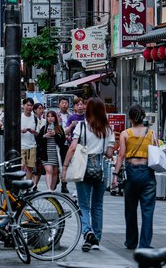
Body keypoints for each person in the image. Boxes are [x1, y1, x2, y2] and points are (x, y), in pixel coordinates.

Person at [63, 97, 115, 253]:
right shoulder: (108, 129)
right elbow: (109, 154)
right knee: (97, 206)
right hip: (101, 168)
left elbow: (73, 147)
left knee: (84, 205)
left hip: (83, 166)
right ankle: (95, 240)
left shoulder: (81, 126)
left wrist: (65, 167)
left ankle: (87, 232)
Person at [112, 105, 157, 250]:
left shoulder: (125, 134)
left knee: (130, 209)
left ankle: (131, 242)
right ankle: (145, 244)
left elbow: (121, 155)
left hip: (131, 172)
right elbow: (156, 152)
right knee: (147, 210)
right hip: (148, 172)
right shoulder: (151, 133)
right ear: (143, 117)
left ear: (130, 118)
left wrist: (115, 175)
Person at [36, 110, 67, 192]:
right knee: (49, 170)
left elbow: (63, 141)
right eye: (48, 116)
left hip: (56, 153)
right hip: (46, 153)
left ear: (55, 118)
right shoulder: (44, 128)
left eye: (52, 116)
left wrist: (55, 135)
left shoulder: (59, 128)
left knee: (55, 172)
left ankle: (52, 190)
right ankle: (49, 189)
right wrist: (44, 136)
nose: (50, 118)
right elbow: (38, 140)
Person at [19, 98, 41, 185]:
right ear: (23, 106)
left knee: (30, 168)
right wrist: (21, 131)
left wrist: (33, 131)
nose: (29, 107)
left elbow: (38, 133)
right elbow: (14, 131)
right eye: (27, 105)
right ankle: (20, 185)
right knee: (21, 166)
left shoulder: (35, 118)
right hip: (21, 145)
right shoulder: (19, 117)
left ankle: (27, 186)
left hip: (32, 145)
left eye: (31, 105)